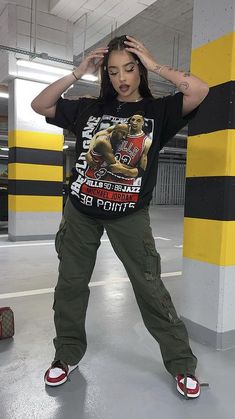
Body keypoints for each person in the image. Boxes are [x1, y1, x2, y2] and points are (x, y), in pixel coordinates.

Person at [31, 34, 209, 398]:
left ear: (139, 69)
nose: (122, 78)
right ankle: (66, 355)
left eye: (129, 68)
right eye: (113, 72)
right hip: (80, 212)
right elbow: (40, 104)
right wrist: (78, 71)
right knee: (70, 285)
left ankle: (180, 363)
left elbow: (199, 92)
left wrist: (156, 64)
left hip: (129, 215)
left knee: (149, 286)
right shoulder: (89, 109)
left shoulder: (159, 112)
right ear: (106, 76)